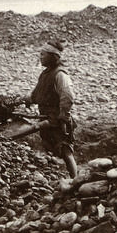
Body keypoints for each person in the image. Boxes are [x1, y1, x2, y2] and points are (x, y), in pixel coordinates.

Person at [12, 40, 78, 178]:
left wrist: (63, 116)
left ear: (52, 56)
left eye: (43, 54)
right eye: (40, 54)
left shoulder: (60, 74)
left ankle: (75, 179)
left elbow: (68, 96)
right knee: (49, 145)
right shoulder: (45, 74)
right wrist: (22, 99)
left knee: (65, 149)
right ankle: (54, 175)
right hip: (45, 116)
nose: (40, 57)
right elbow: (36, 95)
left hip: (56, 118)